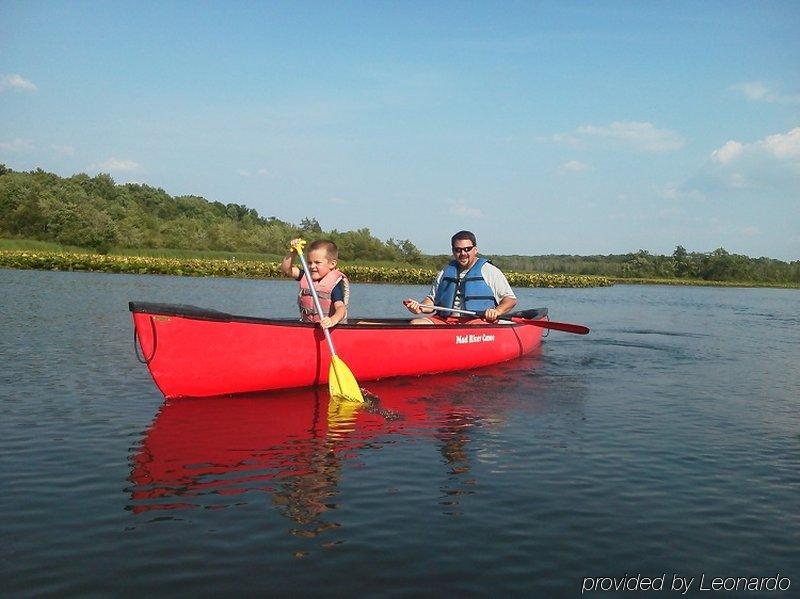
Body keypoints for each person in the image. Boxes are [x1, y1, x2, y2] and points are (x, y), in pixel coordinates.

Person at [404, 231, 517, 325]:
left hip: (477, 321)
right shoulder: (445, 272)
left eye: (467, 249)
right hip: (446, 321)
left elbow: (510, 300)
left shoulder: (490, 271)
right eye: (458, 250)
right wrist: (420, 308)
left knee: (474, 328)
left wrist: (497, 311)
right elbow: (432, 300)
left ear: (475, 250)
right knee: (417, 323)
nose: (463, 253)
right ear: (453, 251)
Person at [281, 238, 350, 328]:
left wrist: (332, 320)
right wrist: (293, 252)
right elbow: (286, 269)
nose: (312, 266)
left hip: (328, 328)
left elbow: (341, 308)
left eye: (317, 262)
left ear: (332, 264)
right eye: (309, 263)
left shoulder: (334, 284)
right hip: (308, 326)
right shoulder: (305, 275)